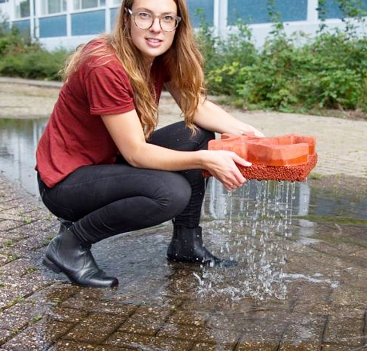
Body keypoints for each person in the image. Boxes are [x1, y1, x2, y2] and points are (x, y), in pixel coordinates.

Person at [35, 0, 264, 288]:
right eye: (145, 16)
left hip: (108, 165)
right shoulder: (103, 63)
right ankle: (69, 245)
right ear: (127, 18)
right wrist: (205, 161)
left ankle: (186, 243)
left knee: (197, 135)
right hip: (66, 184)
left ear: (178, 24)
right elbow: (136, 152)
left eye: (167, 18)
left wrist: (250, 134)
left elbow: (197, 108)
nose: (156, 27)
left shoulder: (158, 54)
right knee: (170, 193)